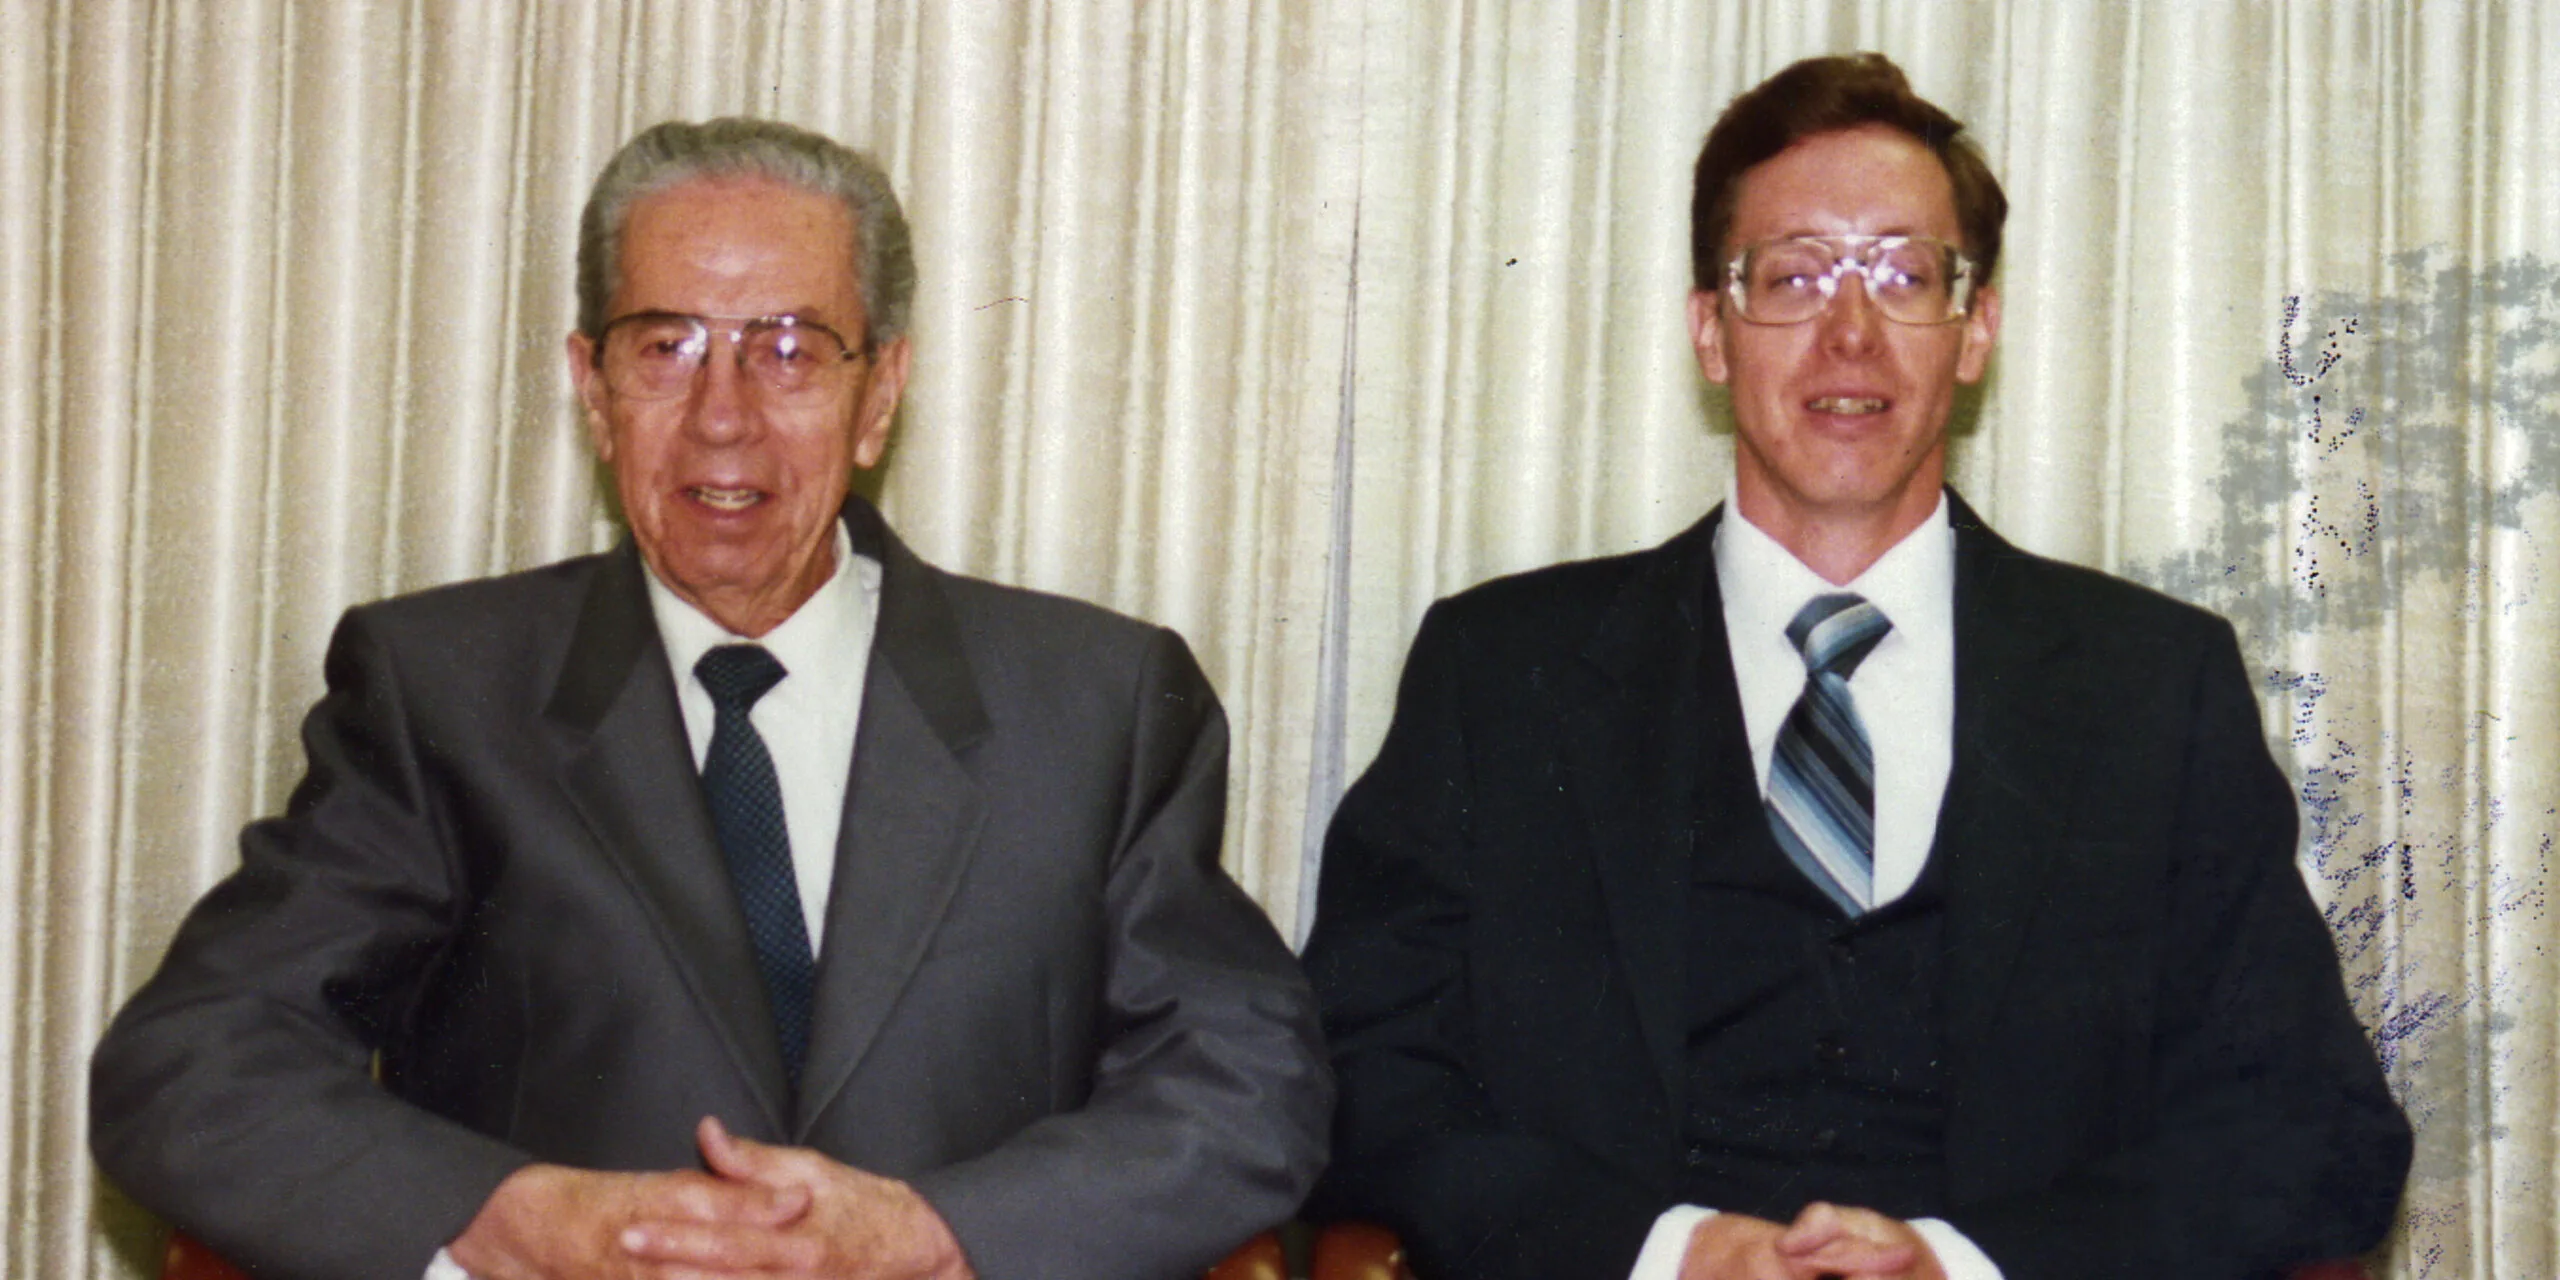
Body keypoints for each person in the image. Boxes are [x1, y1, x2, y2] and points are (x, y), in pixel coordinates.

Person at [90, 117, 1329, 1280]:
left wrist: (936, 1236)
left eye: (787, 349)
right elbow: (191, 1063)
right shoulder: (447, 689)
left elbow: (1244, 1081)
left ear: (879, 393)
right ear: (591, 385)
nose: (721, 418)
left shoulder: (1095, 701)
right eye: (664, 346)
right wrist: (514, 1217)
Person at [1303, 53, 2409, 1280]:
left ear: (1973, 327)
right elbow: (1362, 1069)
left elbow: (2312, 1125)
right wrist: (1669, 1253)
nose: (1848, 330)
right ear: (1710, 333)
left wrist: (1964, 1264)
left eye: (1900, 273)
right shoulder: (1503, 671)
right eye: (1789, 276)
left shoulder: (2153, 685)